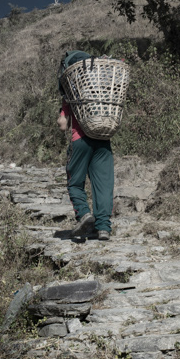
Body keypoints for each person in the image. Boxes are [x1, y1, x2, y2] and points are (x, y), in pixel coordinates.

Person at [57, 58, 114, 241]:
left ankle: (84, 214)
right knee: (103, 185)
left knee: (74, 182)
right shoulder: (101, 90)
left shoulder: (71, 93)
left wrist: (63, 112)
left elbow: (63, 125)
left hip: (80, 140)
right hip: (103, 140)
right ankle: (103, 228)